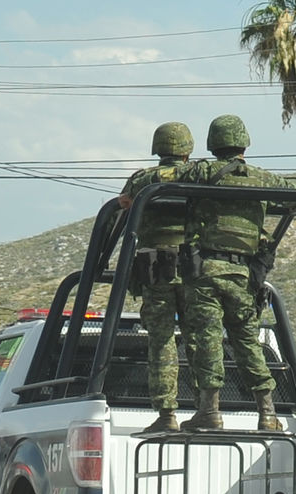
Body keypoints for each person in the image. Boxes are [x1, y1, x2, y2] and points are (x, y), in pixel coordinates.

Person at [176, 114, 296, 431]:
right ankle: (267, 413)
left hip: (206, 272)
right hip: (244, 276)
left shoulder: (204, 172)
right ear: (244, 143)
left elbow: (172, 176)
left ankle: (209, 411)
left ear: (213, 143)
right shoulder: (263, 179)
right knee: (247, 341)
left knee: (208, 339)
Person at [118, 122, 195, 433]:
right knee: (199, 338)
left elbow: (124, 203)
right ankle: (208, 409)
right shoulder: (197, 176)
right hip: (192, 270)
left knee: (161, 341)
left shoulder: (142, 179)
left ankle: (166, 414)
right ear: (187, 150)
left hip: (155, 271)